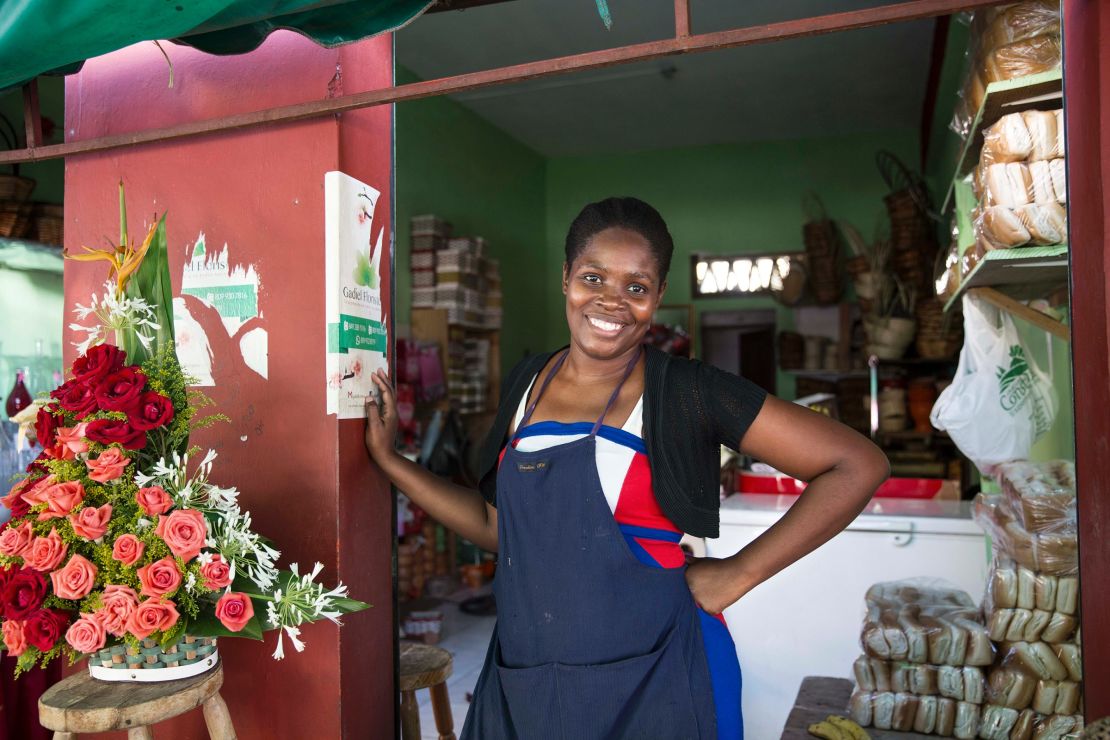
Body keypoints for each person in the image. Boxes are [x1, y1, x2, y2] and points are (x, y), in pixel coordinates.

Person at [365, 196, 889, 739]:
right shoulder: (527, 382)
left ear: (658, 296)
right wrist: (391, 462)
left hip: (655, 677)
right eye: (593, 277)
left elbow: (856, 464)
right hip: (527, 679)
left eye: (636, 287)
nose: (612, 302)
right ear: (566, 276)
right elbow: (499, 529)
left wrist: (738, 573)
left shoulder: (688, 392)